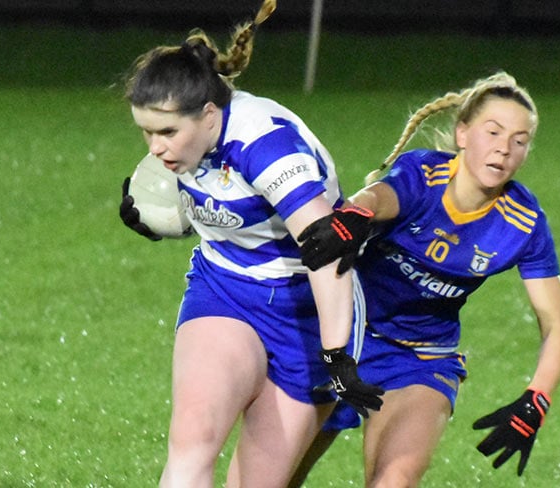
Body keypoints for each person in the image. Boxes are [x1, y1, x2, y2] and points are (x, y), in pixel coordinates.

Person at [118, 1, 383, 486]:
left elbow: (328, 253)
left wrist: (336, 353)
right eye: (146, 132)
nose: (155, 148)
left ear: (209, 114)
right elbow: (226, 205)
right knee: (192, 441)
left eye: (166, 132)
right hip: (226, 290)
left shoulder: (266, 146)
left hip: (308, 310)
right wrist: (163, 221)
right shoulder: (187, 144)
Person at [291, 71, 560, 486]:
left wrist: (537, 401)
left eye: (520, 140)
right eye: (493, 131)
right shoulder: (424, 174)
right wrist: (356, 214)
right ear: (463, 133)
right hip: (338, 338)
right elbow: (382, 197)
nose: (504, 148)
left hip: (418, 359)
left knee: (395, 479)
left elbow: (557, 323)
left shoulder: (524, 222)